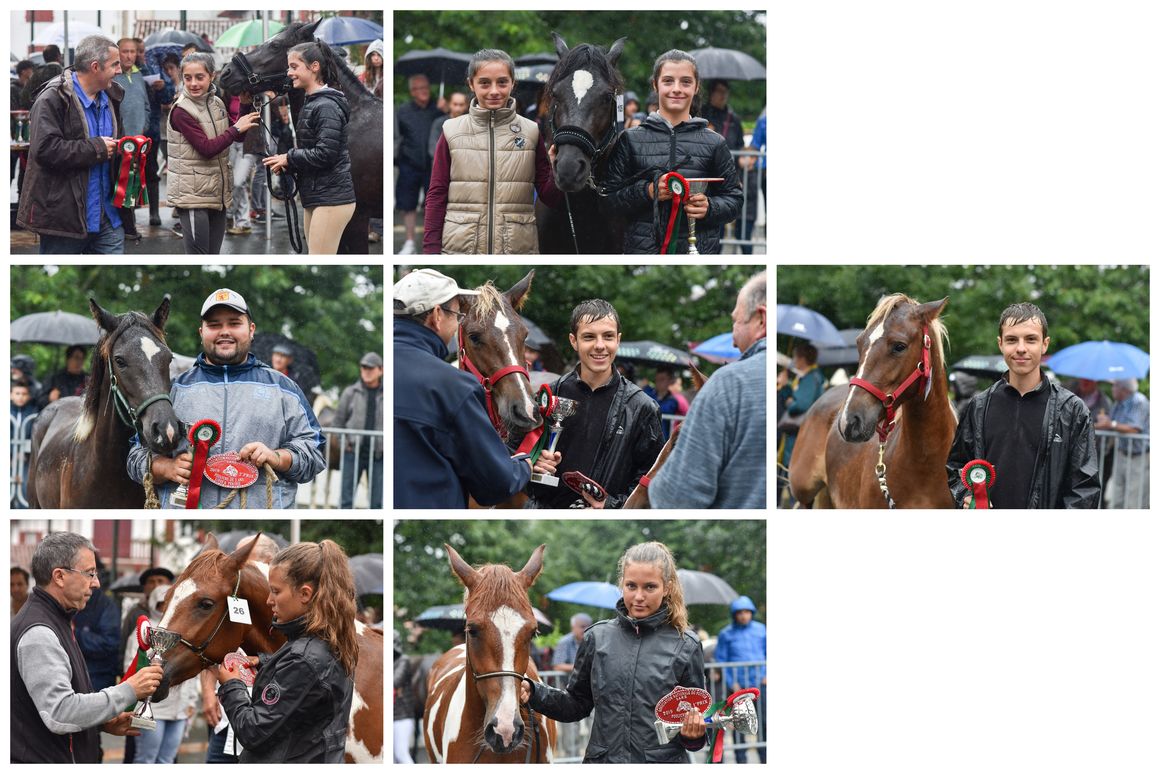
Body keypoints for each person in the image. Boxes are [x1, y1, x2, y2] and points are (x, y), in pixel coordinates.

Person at [126, 288, 326, 508]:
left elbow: (315, 452)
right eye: (214, 325)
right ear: (201, 331)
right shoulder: (172, 390)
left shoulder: (284, 389)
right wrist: (165, 468)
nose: (224, 331)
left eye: (234, 323)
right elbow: (135, 454)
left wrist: (276, 456)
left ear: (251, 330)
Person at [521, 542, 706, 763]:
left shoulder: (686, 644)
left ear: (666, 587)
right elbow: (576, 704)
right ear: (622, 585)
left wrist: (694, 735)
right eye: (631, 586)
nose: (638, 596)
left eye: (649, 587)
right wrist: (535, 693)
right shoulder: (597, 638)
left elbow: (697, 717)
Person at [393, 269, 554, 507]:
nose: (457, 319)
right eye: (456, 314)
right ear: (437, 315)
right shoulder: (455, 387)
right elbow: (496, 485)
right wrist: (526, 463)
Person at [11, 531, 163, 763]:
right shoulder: (38, 632)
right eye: (90, 573)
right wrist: (129, 690)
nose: (97, 582)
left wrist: (100, 722)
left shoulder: (56, 617)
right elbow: (60, 712)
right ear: (59, 576)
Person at [214, 540, 357, 763]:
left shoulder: (303, 659)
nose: (269, 600)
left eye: (276, 591)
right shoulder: (329, 642)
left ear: (305, 594)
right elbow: (308, 687)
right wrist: (264, 662)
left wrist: (232, 685)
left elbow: (252, 732)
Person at [947, 302, 1100, 508]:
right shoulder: (979, 406)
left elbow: (1085, 489)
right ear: (1000, 343)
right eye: (1012, 340)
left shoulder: (1072, 410)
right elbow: (956, 468)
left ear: (1044, 344)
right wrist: (965, 496)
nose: (1021, 348)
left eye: (1030, 339)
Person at [525, 299, 663, 509]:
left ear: (618, 340)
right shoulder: (548, 395)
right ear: (574, 341)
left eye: (608, 336)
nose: (600, 345)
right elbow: (517, 458)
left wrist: (610, 506)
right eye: (589, 337)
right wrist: (533, 465)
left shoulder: (642, 407)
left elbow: (652, 480)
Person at [424, 48, 562, 254]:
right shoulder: (451, 131)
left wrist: (556, 170)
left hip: (517, 248)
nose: (494, 91)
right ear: (471, 84)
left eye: (502, 82)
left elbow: (550, 198)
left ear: (513, 83)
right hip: (460, 248)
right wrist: (430, 251)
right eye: (485, 83)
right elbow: (436, 194)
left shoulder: (531, 131)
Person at [604, 50, 742, 254]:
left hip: (698, 253)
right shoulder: (629, 139)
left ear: (696, 87)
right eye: (668, 81)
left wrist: (710, 207)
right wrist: (648, 191)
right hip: (642, 253)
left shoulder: (715, 143)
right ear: (655, 85)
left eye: (685, 82)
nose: (676, 89)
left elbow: (735, 199)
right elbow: (607, 200)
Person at [651, 272, 767, 508]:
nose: (734, 342)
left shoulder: (726, 383)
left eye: (736, 322)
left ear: (761, 320)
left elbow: (675, 499)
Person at [16, 35, 127, 254]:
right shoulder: (52, 98)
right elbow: (44, 150)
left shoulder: (111, 96)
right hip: (64, 221)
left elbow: (114, 146)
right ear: (96, 67)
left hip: (108, 219)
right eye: (115, 64)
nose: (120, 70)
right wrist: (96, 148)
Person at [262, 41, 357, 255]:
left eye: (294, 67)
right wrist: (288, 162)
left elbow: (326, 154)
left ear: (314, 67)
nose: (289, 73)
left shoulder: (325, 106)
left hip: (331, 198)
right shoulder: (314, 101)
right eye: (289, 67)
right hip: (319, 195)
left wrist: (289, 158)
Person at [167, 52, 259, 254]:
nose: (193, 83)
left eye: (199, 77)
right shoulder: (181, 110)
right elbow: (207, 149)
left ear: (212, 76)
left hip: (216, 193)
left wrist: (244, 106)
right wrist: (236, 129)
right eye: (187, 78)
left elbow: (237, 138)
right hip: (193, 197)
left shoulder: (216, 103)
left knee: (213, 255)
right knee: (199, 257)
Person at [124, 583, 200, 763]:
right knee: (146, 760)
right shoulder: (143, 631)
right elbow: (131, 665)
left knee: (167, 760)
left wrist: (191, 701)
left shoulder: (187, 630)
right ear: (153, 603)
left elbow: (192, 669)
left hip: (179, 711)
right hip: (154, 709)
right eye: (161, 603)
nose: (165, 608)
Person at [702, 79, 759, 254]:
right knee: (713, 232)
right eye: (719, 91)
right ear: (711, 93)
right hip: (707, 176)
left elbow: (741, 145)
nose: (722, 95)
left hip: (730, 175)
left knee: (738, 227)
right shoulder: (701, 114)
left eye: (725, 92)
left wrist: (745, 158)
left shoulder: (733, 119)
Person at [714, 596, 767, 763]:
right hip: (738, 688)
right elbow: (721, 660)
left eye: (746, 612)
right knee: (739, 724)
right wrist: (732, 683)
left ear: (751, 612)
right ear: (734, 614)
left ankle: (765, 759)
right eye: (739, 612)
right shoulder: (726, 633)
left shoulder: (762, 630)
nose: (743, 615)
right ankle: (741, 761)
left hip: (760, 683)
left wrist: (767, 674)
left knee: (764, 722)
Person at [395, 74, 441, 254]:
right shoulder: (403, 111)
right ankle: (409, 243)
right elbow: (397, 136)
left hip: (433, 165)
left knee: (434, 204)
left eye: (426, 88)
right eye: (419, 88)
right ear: (412, 91)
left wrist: (445, 111)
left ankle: (433, 243)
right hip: (409, 163)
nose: (424, 91)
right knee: (408, 205)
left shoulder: (438, 109)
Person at [112, 38, 151, 241]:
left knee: (134, 183)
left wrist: (143, 131)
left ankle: (130, 225)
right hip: (121, 142)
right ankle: (127, 227)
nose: (128, 56)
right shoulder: (112, 77)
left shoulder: (138, 76)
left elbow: (146, 105)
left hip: (139, 141)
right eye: (124, 51)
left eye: (132, 52)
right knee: (122, 184)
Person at [335, 352, 384, 509]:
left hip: (379, 455)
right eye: (364, 368)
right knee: (346, 501)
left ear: (380, 370)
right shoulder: (350, 392)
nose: (367, 372)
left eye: (370, 368)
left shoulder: (388, 393)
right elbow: (338, 423)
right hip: (352, 453)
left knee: (377, 502)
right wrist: (345, 444)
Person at [776, 342, 825, 490]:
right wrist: (784, 387)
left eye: (795, 357)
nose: (794, 360)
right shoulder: (809, 377)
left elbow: (801, 404)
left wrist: (791, 403)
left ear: (803, 359)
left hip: (800, 435)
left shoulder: (811, 378)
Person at [1094, 378, 1149, 508]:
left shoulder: (1138, 401)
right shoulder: (1118, 403)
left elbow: (1134, 428)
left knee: (1133, 500)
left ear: (1124, 389)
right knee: (1116, 498)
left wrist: (1110, 423)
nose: (1112, 389)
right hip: (1121, 454)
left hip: (1138, 457)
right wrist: (1102, 423)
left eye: (1114, 386)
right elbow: (1113, 424)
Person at [72, 557, 123, 692]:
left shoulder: (106, 605)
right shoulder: (69, 600)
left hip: (98, 679)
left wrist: (76, 633)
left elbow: (110, 643)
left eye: (92, 574)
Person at [118, 566, 175, 658]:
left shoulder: (179, 610)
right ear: (144, 588)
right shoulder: (135, 613)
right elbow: (124, 644)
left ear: (170, 585)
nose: (156, 585)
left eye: (160, 581)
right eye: (151, 582)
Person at [11, 380, 37, 508]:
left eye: (24, 393)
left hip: (26, 460)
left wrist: (23, 453)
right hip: (9, 458)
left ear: (28, 396)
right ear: (11, 395)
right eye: (17, 393)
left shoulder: (34, 412)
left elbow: (35, 436)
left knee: (26, 488)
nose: (20, 397)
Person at [427, 90, 468, 167]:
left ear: (466, 105)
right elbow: (433, 146)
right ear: (449, 104)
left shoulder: (469, 123)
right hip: (441, 164)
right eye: (455, 104)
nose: (458, 108)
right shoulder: (439, 123)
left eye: (461, 105)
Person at [393, 630, 417, 764]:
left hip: (402, 716)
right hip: (391, 716)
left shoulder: (404, 660)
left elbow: (395, 681)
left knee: (401, 754)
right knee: (391, 758)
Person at [653, 366, 686, 440]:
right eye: (657, 379)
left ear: (670, 381)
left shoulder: (673, 401)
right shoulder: (649, 395)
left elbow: (662, 409)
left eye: (662, 379)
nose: (658, 382)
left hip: (663, 440)